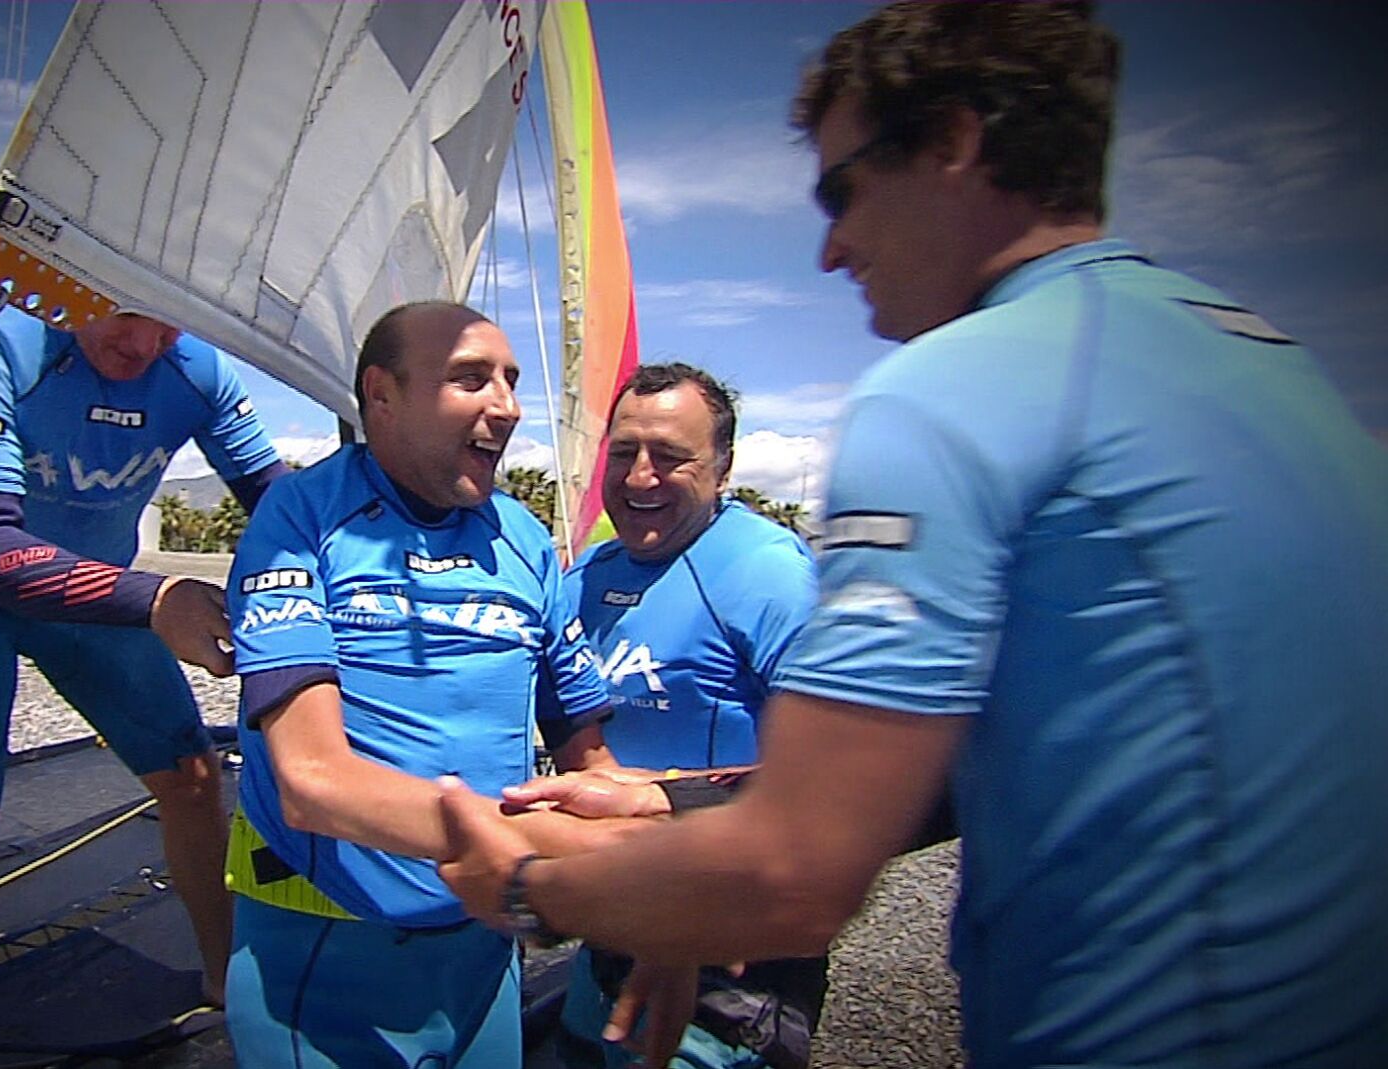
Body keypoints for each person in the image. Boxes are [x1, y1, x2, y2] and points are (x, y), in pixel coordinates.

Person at [437, 4, 1388, 1068]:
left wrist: (532, 885)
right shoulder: (1270, 363)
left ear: (952, 142)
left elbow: (797, 871)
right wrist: (673, 846)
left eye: (844, 188)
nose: (832, 246)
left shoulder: (952, 392)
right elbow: (936, 773)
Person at [222, 300, 628, 1068]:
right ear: (381, 393)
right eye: (470, 378)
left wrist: (655, 909)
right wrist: (527, 848)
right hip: (324, 959)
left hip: (481, 963)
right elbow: (310, 779)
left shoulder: (525, 540)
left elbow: (590, 760)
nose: (506, 405)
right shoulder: (301, 516)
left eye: (510, 380)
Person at [0, 304, 287, 1069]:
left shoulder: (195, 368)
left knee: (195, 778)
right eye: (122, 318)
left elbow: (282, 505)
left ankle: (221, 983)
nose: (143, 345)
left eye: (166, 326)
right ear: (68, 286)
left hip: (90, 594)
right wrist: (157, 599)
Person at [545, 363, 823, 1069]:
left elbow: (837, 770)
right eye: (624, 453)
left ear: (722, 468)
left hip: (730, 948)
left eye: (670, 457)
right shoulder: (585, 577)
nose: (640, 478)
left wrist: (667, 797)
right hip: (612, 920)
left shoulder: (765, 571)